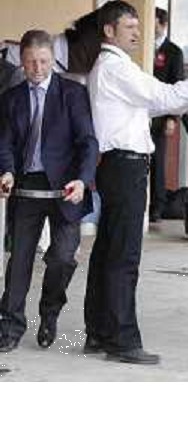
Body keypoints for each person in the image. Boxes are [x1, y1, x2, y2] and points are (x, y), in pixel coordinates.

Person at [83, 0, 188, 365]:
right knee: (123, 255)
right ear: (109, 31)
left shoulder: (114, 69)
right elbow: (163, 95)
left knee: (107, 252)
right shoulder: (116, 68)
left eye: (137, 26)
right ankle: (122, 340)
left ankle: (99, 332)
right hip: (124, 168)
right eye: (129, 27)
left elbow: (149, 106)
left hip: (118, 167)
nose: (137, 32)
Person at [0, 30, 98, 352]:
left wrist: (83, 180)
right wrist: (8, 171)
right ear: (22, 62)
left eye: (43, 62)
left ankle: (49, 312)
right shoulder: (12, 98)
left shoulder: (72, 93)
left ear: (52, 60)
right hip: (27, 186)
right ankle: (11, 326)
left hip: (65, 188)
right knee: (19, 261)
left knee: (61, 258)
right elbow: (5, 144)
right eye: (30, 63)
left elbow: (87, 142)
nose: (37, 69)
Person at [150, 7, 185, 222]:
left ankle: (157, 205)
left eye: (152, 21)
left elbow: (177, 86)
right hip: (142, 114)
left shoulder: (173, 52)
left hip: (162, 116)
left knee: (158, 162)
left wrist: (173, 117)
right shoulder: (141, 48)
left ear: (163, 25)